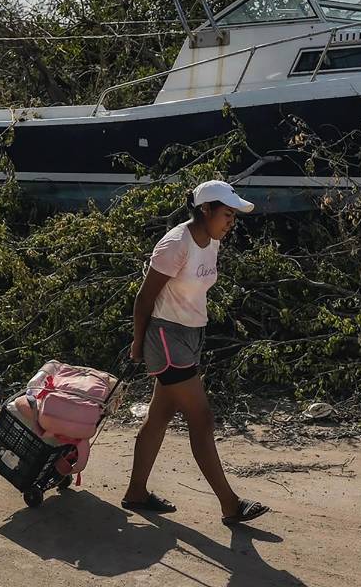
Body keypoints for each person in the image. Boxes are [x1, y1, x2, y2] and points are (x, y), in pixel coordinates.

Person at [122, 179, 270, 526]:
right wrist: (138, 344)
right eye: (227, 214)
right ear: (205, 210)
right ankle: (230, 504)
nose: (231, 222)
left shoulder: (211, 241)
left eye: (234, 216)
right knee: (201, 418)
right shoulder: (176, 244)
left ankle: (136, 492)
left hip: (190, 336)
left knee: (159, 416)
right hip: (166, 338)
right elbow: (144, 298)